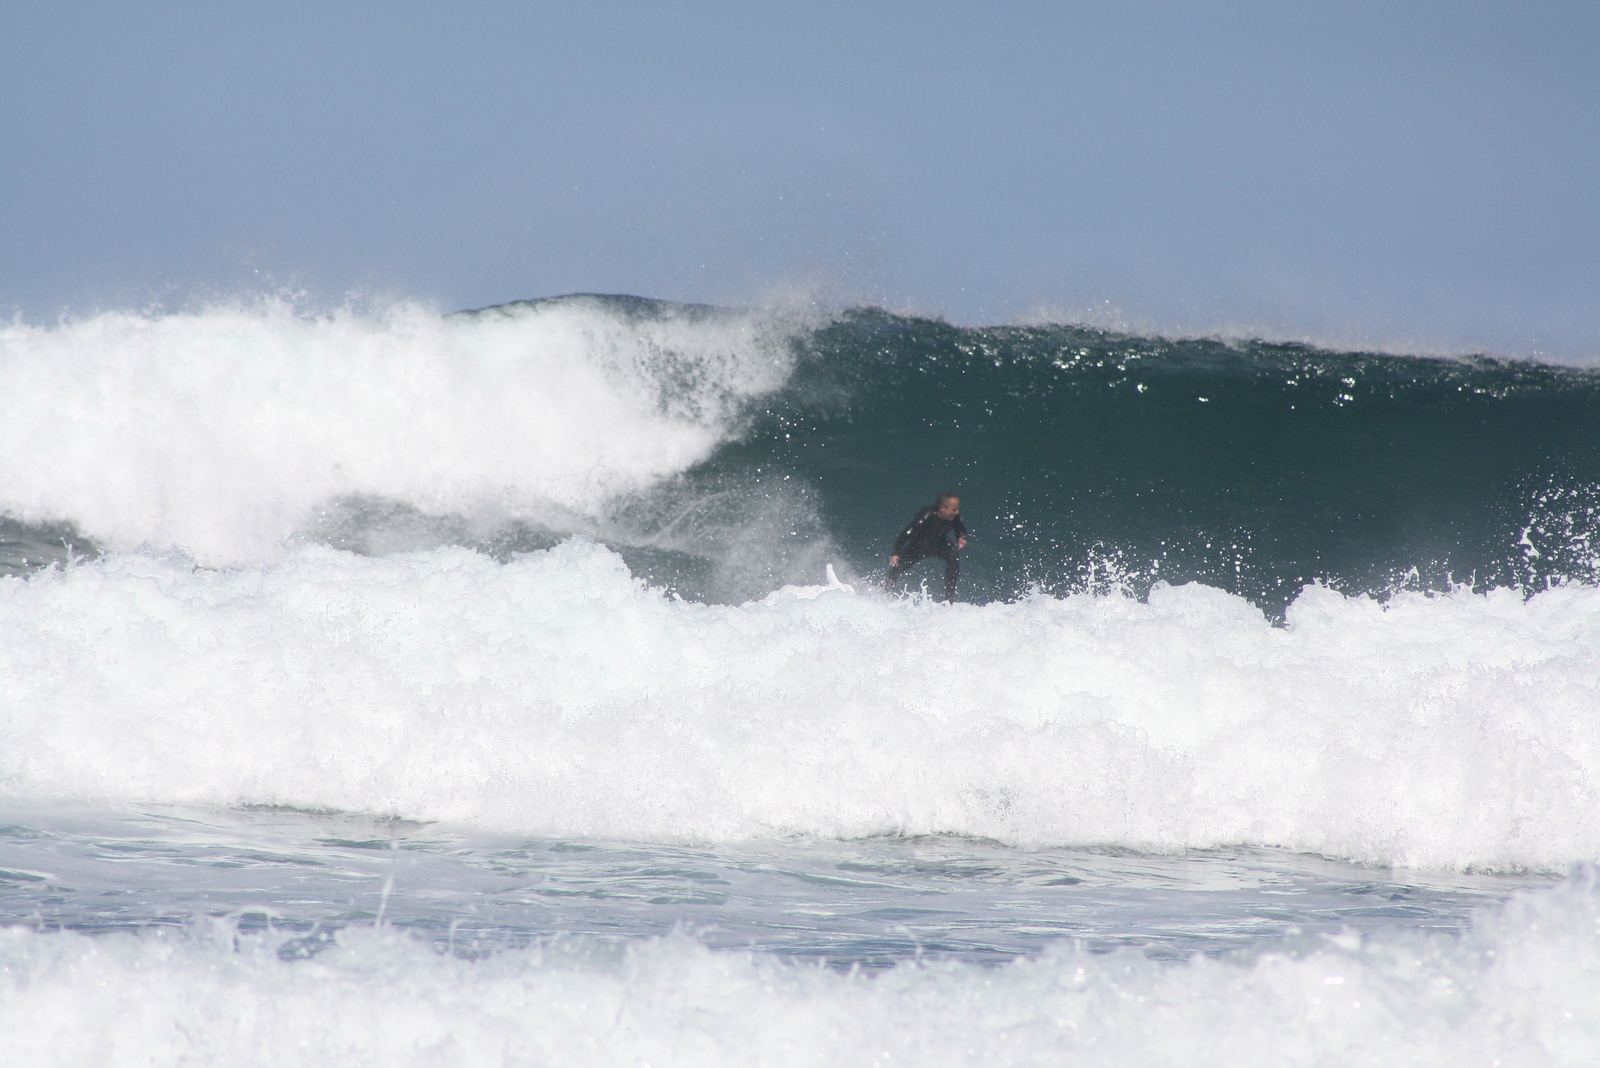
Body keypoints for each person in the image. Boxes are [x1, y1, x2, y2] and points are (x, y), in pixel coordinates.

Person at [884, 491, 968, 601]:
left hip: (939, 544)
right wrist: (896, 553)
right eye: (954, 509)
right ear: (942, 509)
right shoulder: (927, 515)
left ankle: (949, 597)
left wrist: (961, 536)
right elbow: (907, 534)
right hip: (919, 545)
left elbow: (959, 527)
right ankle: (884, 588)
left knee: (953, 555)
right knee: (899, 567)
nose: (957, 512)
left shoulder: (955, 516)